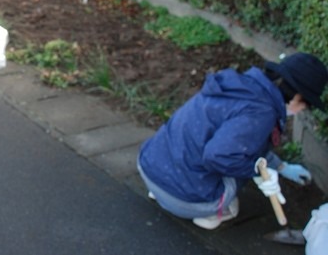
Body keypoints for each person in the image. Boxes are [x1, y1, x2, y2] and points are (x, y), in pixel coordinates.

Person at [137, 52, 328, 230]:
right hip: (184, 198)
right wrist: (257, 173)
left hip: (150, 167)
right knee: (233, 193)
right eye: (306, 103)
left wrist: (281, 167)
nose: (303, 109)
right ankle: (210, 214)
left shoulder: (238, 85)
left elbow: (244, 141)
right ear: (296, 95)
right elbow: (218, 156)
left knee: (225, 149)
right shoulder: (261, 113)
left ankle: (162, 194)